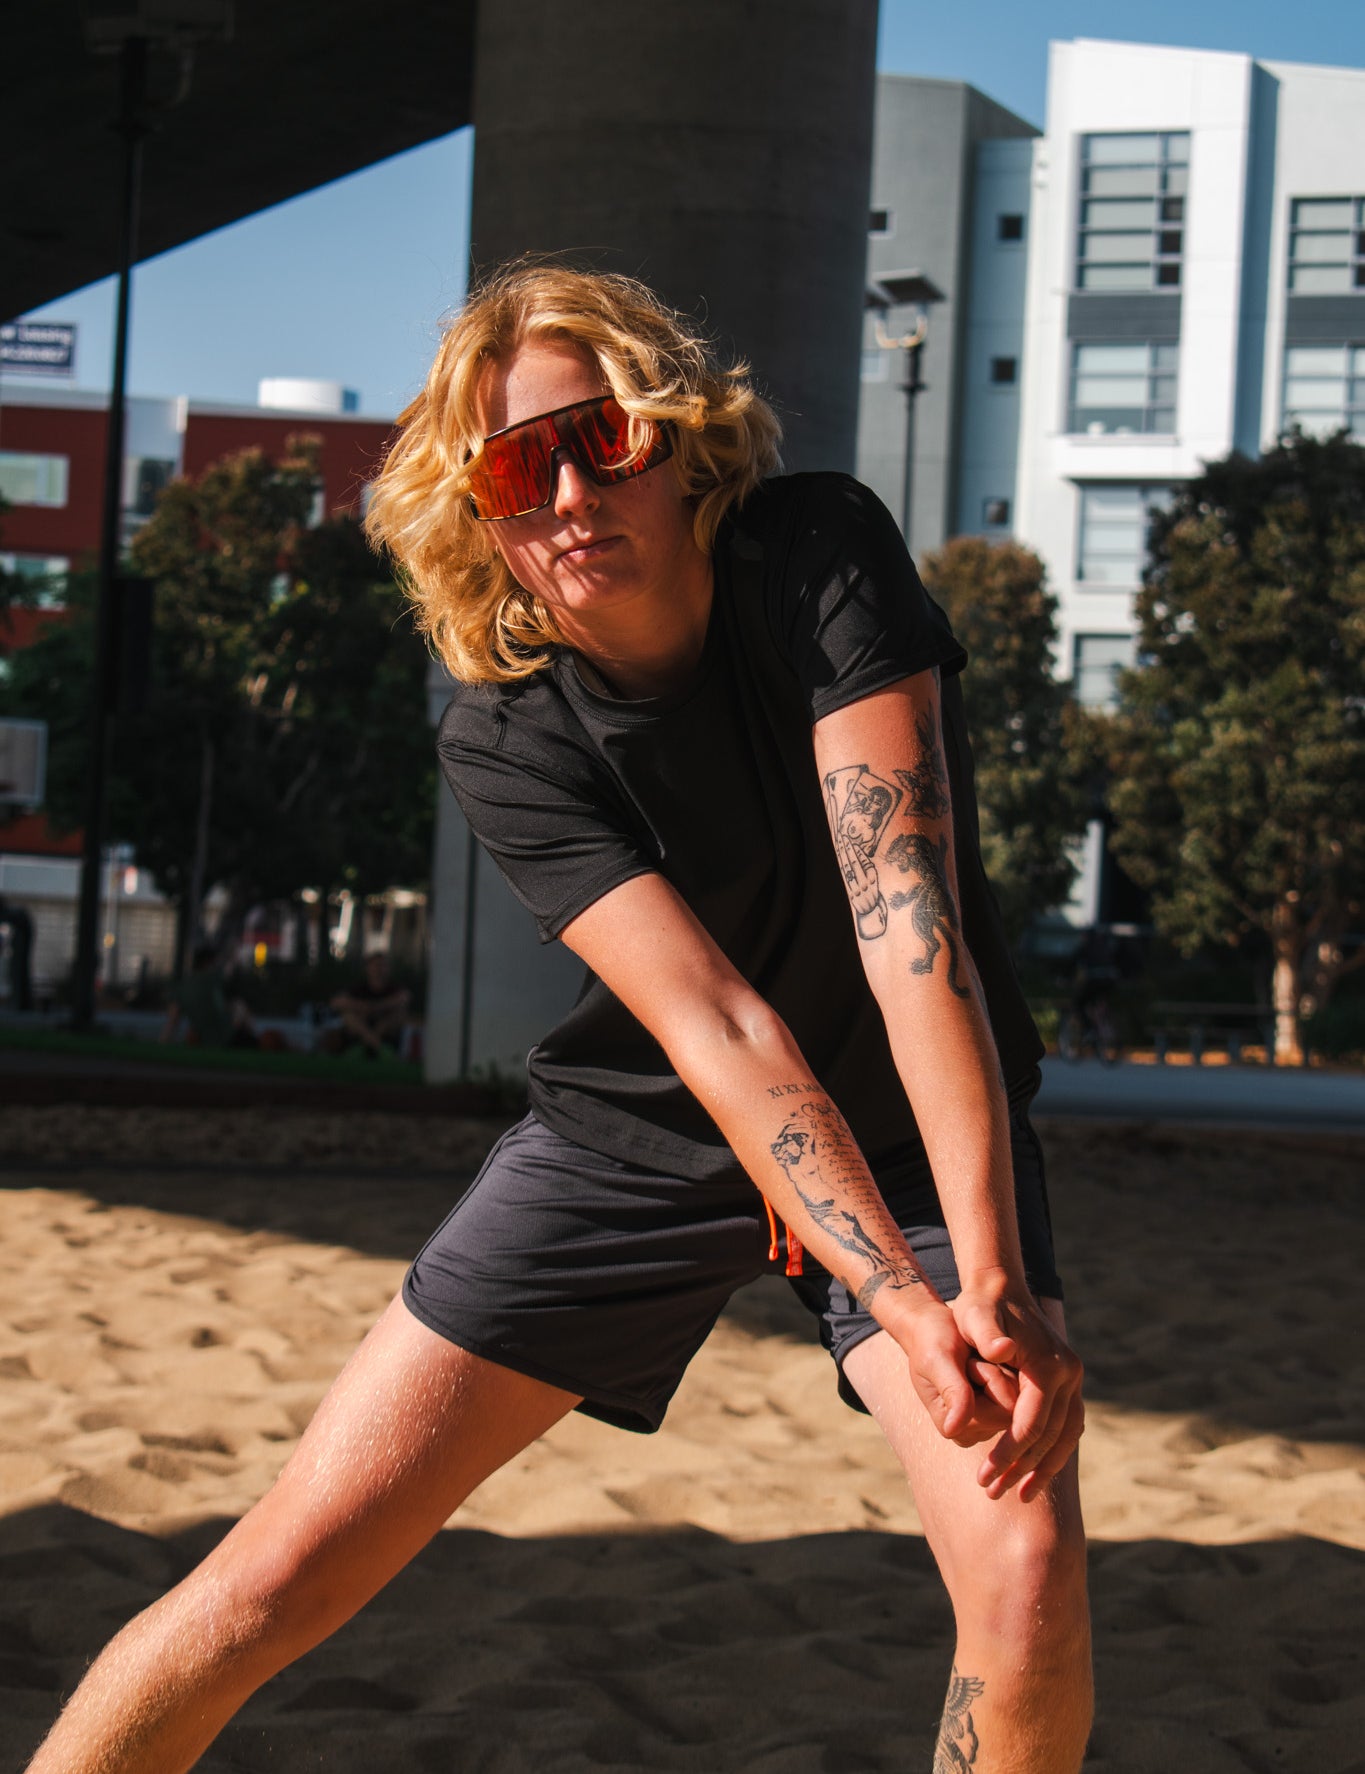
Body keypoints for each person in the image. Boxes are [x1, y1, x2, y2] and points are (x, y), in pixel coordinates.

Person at [26, 265, 1090, 1773]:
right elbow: (717, 1026)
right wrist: (909, 1316)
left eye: (605, 436)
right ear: (478, 512)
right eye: (518, 466)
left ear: (679, 439)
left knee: (1027, 1571)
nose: (572, 488)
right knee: (279, 1572)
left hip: (913, 1138)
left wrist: (985, 1286)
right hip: (641, 1143)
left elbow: (907, 931)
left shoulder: (816, 556)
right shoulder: (505, 727)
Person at [158, 943, 259, 1050]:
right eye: (215, 963)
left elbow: (173, 1020)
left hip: (207, 1040)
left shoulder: (182, 986)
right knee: (240, 1008)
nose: (216, 966)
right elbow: (237, 1005)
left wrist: (162, 1043)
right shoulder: (213, 979)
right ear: (208, 963)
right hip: (229, 1038)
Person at [326, 950, 412, 1057]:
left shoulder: (394, 987)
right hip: (362, 1028)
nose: (379, 969)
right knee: (348, 1015)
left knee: (400, 1013)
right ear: (368, 968)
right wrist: (361, 1006)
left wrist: (374, 1007)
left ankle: (368, 1043)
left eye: (383, 965)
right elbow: (336, 1002)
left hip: (384, 1030)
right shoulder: (359, 988)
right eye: (376, 965)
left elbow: (404, 998)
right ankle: (377, 1045)